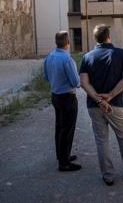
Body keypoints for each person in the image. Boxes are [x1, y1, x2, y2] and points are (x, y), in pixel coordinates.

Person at [79, 24, 123, 186]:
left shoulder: (87, 57)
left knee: (101, 140)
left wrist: (99, 100)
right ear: (109, 37)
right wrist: (110, 96)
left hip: (94, 106)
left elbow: (83, 83)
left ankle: (108, 176)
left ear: (95, 39)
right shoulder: (120, 53)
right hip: (116, 105)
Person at [43, 31, 82, 172]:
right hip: (67, 97)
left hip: (55, 96)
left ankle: (62, 156)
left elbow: (46, 77)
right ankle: (64, 163)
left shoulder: (49, 57)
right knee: (67, 129)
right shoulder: (67, 59)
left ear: (56, 42)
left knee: (60, 127)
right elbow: (76, 82)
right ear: (68, 42)